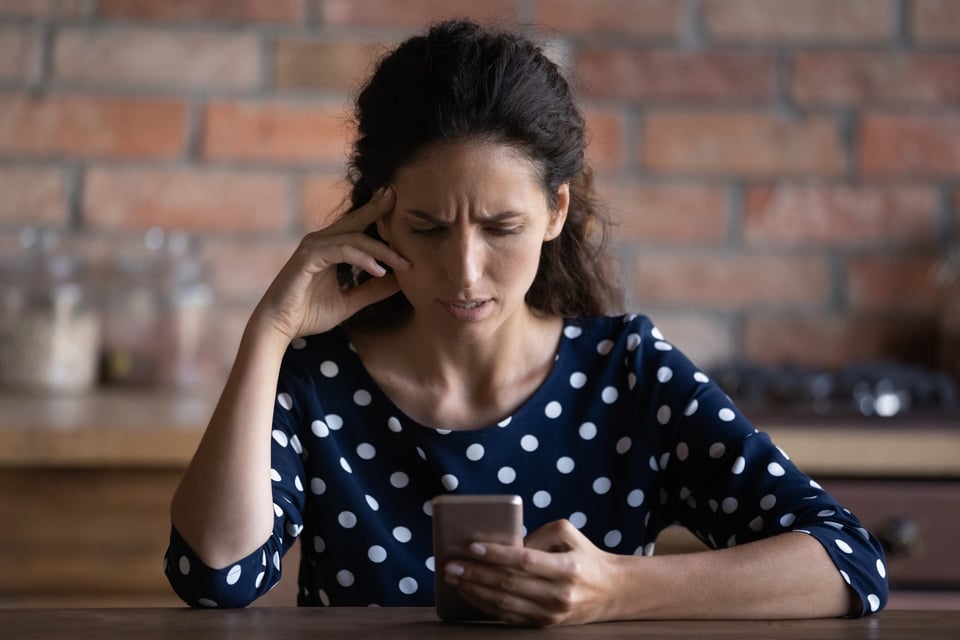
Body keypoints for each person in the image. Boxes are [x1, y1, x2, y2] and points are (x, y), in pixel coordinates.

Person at [165, 19, 888, 626]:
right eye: (427, 227)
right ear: (375, 217)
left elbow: (848, 562)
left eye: (502, 227)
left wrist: (619, 590)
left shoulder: (627, 372)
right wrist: (272, 328)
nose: (466, 271)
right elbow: (216, 576)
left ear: (556, 213)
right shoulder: (315, 380)